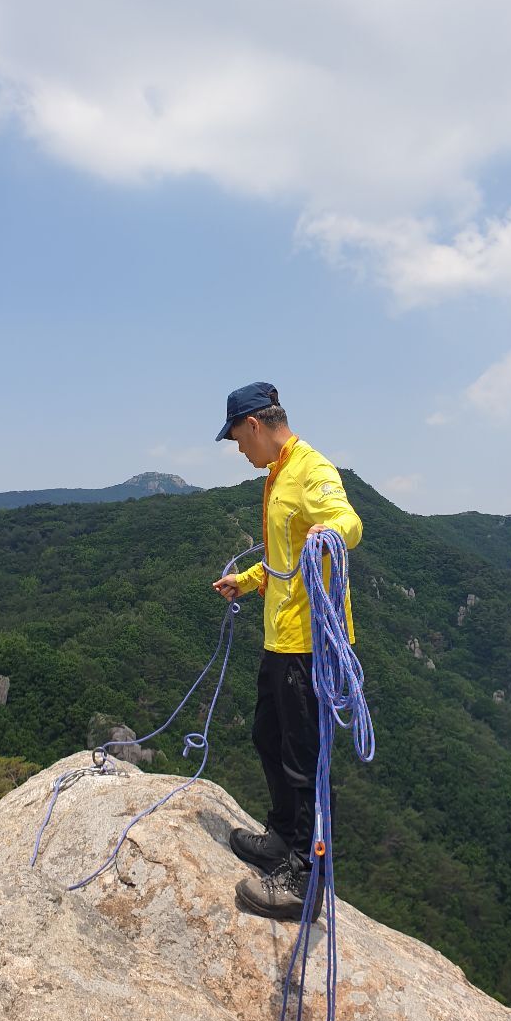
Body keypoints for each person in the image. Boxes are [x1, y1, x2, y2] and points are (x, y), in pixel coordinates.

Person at [213, 382, 363, 922]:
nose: (239, 450)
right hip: (281, 638)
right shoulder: (279, 474)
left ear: (254, 424)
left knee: (304, 760)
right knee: (267, 736)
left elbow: (348, 521)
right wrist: (247, 580)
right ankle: (280, 837)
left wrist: (331, 531)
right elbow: (284, 557)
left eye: (237, 439)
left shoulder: (311, 469)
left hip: (309, 645)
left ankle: (304, 878)